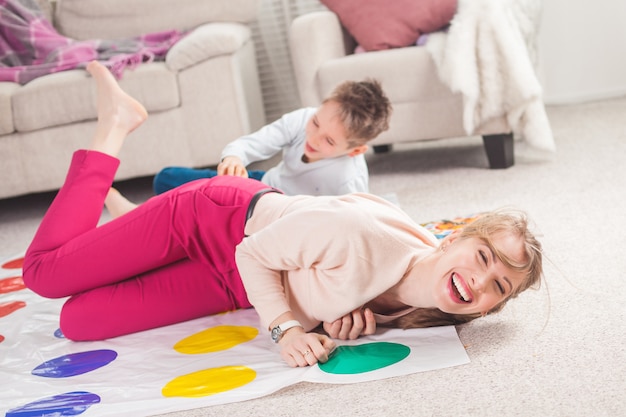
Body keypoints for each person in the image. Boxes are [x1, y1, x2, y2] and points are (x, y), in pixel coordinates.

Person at [23, 62, 544, 368]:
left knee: (78, 322)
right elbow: (254, 252)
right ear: (453, 240)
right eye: (483, 256)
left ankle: (121, 224)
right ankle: (115, 126)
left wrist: (340, 320)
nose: (479, 281)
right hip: (215, 219)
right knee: (45, 275)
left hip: (235, 282)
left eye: (499, 286)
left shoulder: (425, 303)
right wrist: (287, 331)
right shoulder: (360, 235)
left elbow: (319, 285)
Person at [152, 79, 392, 196]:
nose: (315, 138)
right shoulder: (302, 119)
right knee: (166, 179)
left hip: (281, 217)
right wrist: (234, 158)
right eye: (316, 123)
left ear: (355, 150)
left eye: (329, 141)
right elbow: (254, 144)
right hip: (262, 183)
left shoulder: (348, 182)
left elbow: (353, 226)